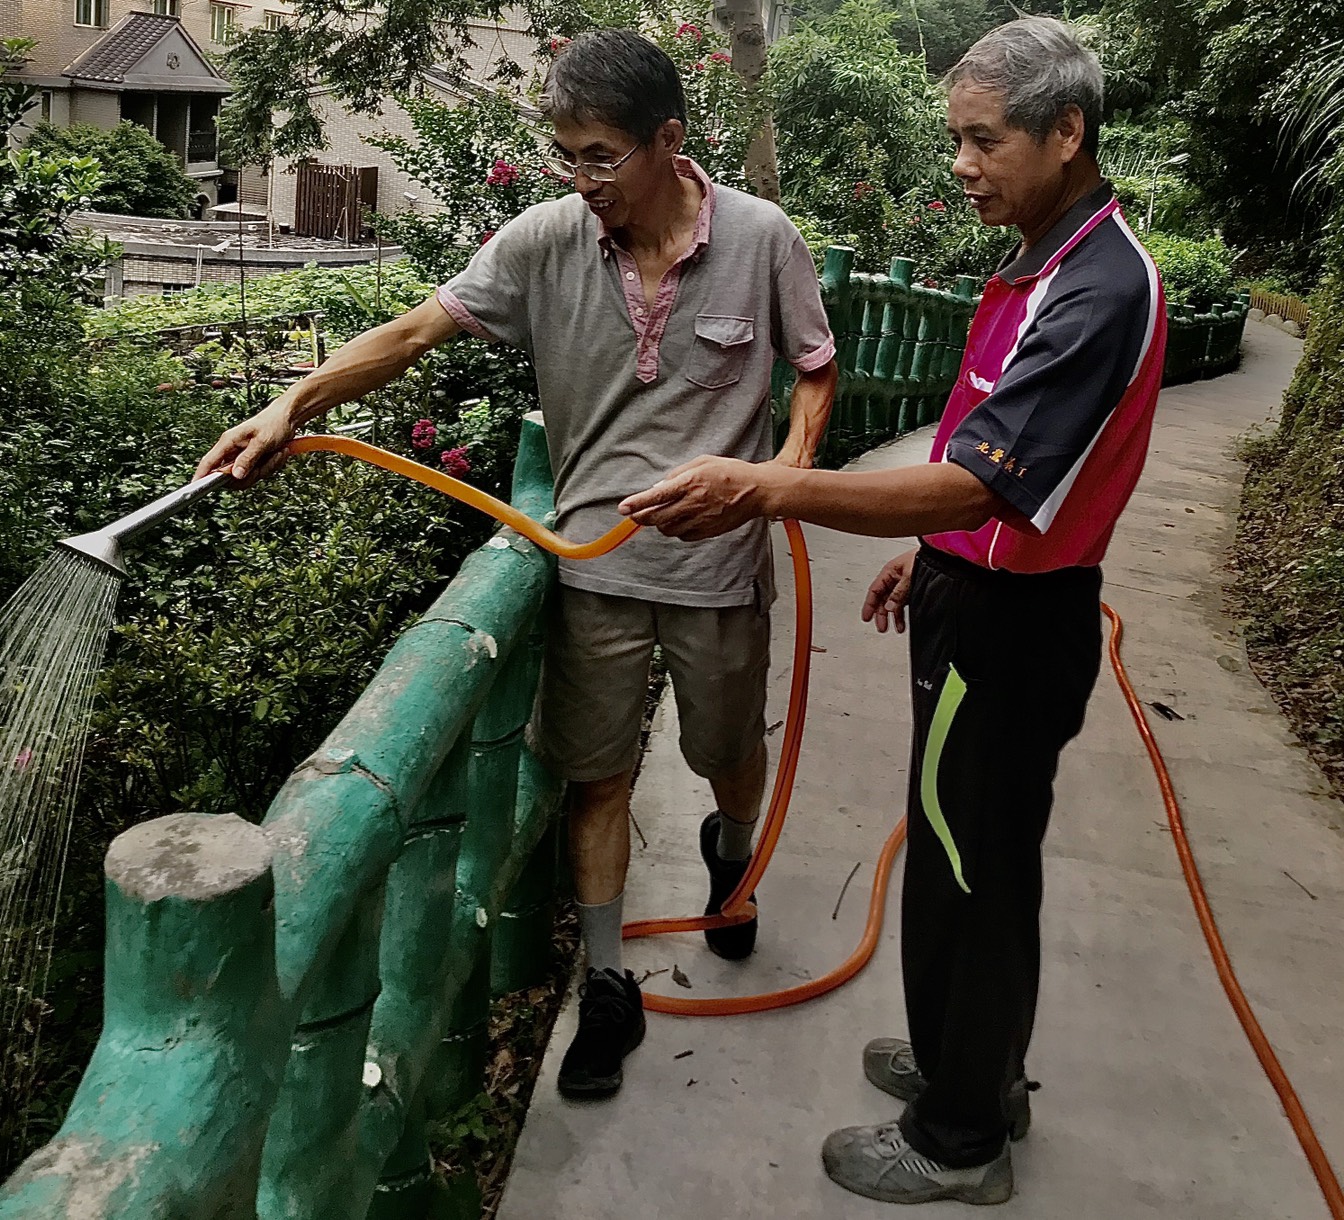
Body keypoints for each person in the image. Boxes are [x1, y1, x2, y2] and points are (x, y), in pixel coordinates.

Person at [194, 30, 836, 1102]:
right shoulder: (544, 240)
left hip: (720, 569)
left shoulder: (764, 238)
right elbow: (410, 331)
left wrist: (781, 473)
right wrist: (289, 403)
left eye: (599, 156)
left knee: (728, 752)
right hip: (590, 568)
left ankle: (732, 852)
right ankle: (609, 977)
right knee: (598, 778)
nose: (580, 180)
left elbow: (814, 372)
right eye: (565, 155)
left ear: (668, 143)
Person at [620, 16, 1166, 1206]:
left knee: (971, 862)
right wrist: (932, 555)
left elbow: (988, 476)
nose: (961, 164)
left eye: (983, 140)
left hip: (1016, 626)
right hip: (980, 592)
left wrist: (768, 483)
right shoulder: (1038, 259)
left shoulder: (1100, 285)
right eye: (955, 139)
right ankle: (972, 1054)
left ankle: (961, 1131)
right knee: (958, 844)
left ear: (1066, 132)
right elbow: (1000, 451)